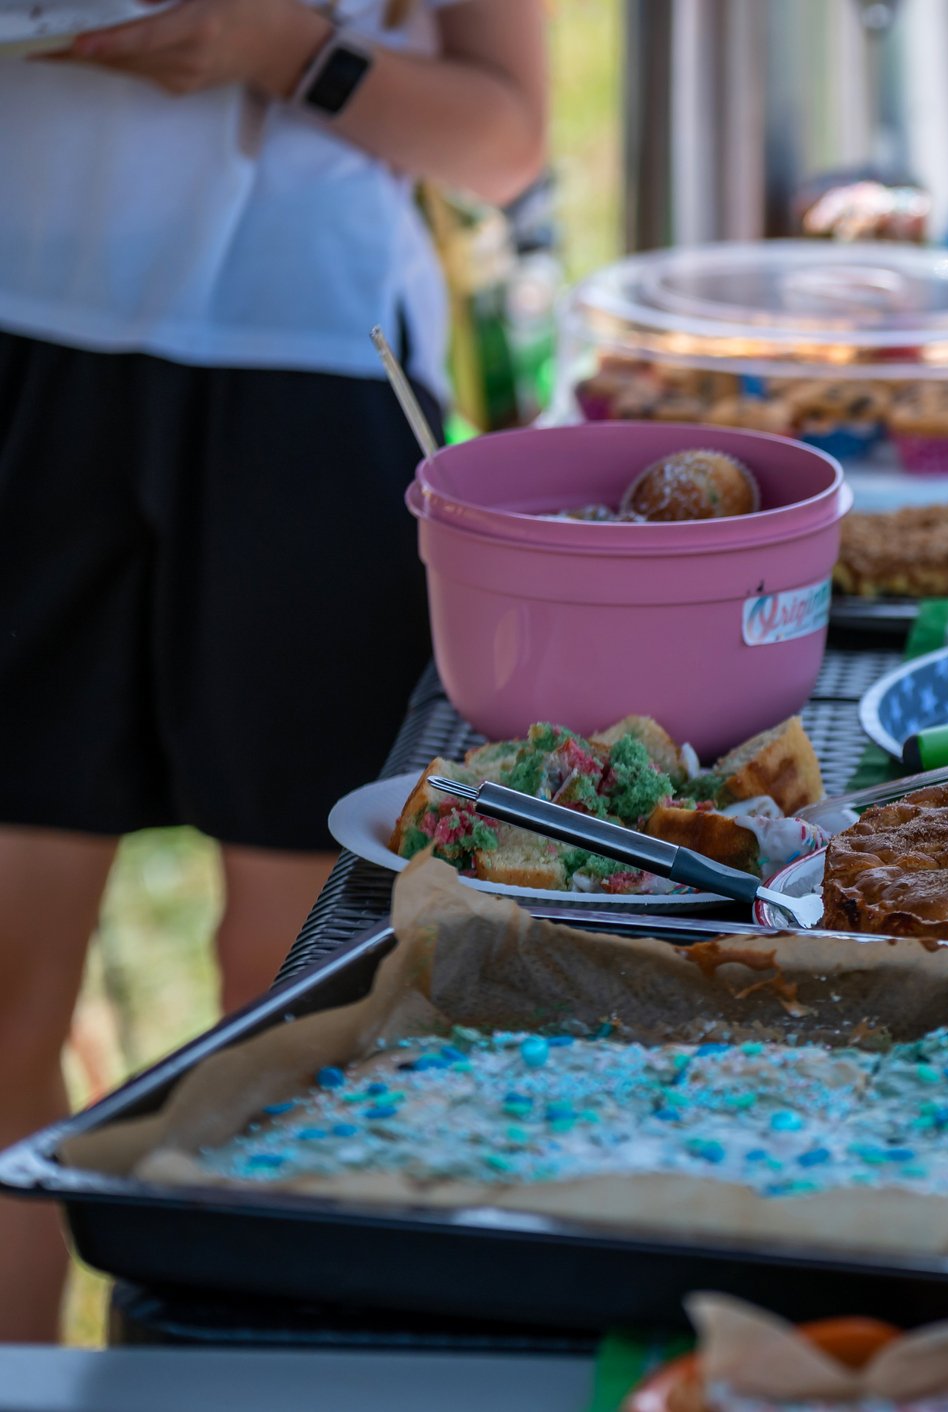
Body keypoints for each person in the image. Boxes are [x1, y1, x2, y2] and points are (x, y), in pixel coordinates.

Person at [0, 0, 545, 1340]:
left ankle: (233, 1360)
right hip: (19, 351)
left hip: (313, 375)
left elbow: (505, 140)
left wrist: (285, 54)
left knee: (294, 986)